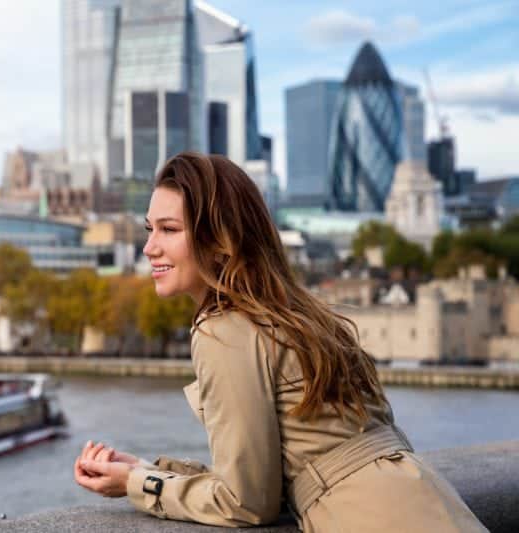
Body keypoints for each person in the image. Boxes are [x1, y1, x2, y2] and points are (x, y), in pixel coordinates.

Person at [73, 152, 486, 532]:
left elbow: (247, 502)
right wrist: (148, 471)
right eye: (150, 229)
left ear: (221, 239)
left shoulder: (221, 330)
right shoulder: (303, 313)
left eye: (169, 229)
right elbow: (297, 465)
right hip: (431, 503)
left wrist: (137, 484)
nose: (149, 247)